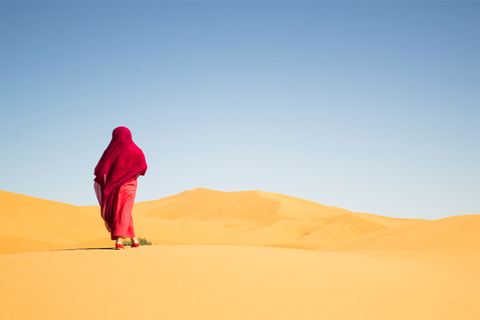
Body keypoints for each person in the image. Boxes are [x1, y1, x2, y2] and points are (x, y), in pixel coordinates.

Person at [93, 126, 147, 250]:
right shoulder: (136, 150)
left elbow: (101, 169)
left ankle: (132, 239)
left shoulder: (111, 150)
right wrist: (131, 172)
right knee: (124, 211)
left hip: (113, 187)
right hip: (130, 186)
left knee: (122, 211)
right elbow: (143, 167)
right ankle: (120, 241)